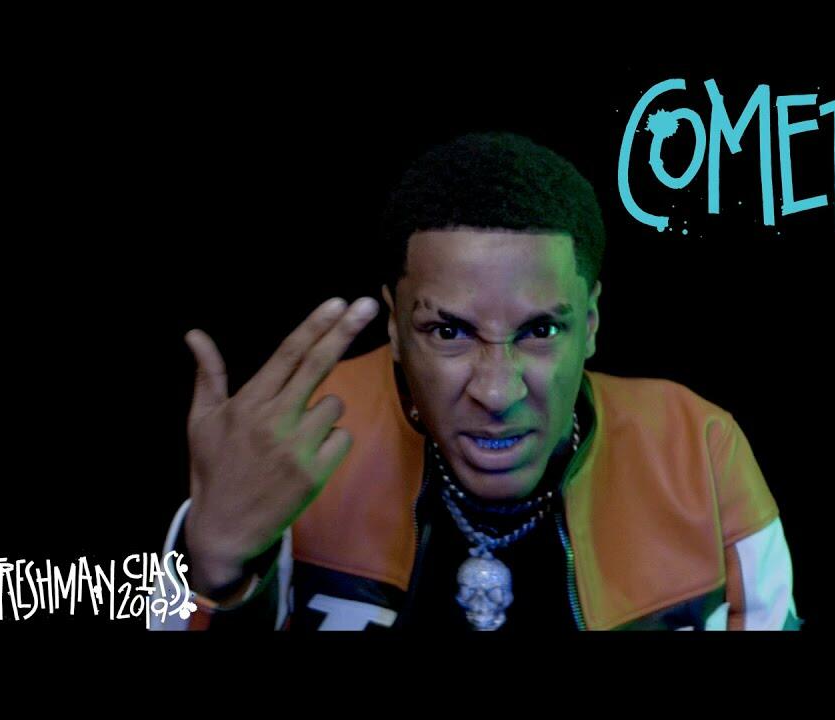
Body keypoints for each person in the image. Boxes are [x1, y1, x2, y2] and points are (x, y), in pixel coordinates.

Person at [154, 132, 800, 631]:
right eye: (449, 331)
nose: (496, 392)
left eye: (540, 330)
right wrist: (206, 563)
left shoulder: (697, 447)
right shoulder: (295, 442)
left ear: (591, 324)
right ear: (397, 330)